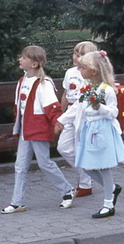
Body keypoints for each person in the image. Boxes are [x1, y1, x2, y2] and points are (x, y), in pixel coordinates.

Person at [4, 46, 75, 214]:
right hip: (25, 130)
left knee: (44, 163)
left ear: (34, 64)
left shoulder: (44, 83)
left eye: (24, 58)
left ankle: (67, 191)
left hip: (38, 129)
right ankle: (17, 201)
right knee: (20, 166)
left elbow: (52, 107)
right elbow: (18, 106)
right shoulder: (22, 81)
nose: (20, 60)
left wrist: (57, 123)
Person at [57, 50, 124, 218]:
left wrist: (100, 107)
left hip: (101, 130)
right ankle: (111, 188)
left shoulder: (107, 90)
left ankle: (108, 204)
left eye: (83, 68)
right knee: (85, 166)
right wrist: (62, 119)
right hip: (89, 130)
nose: (80, 71)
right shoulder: (86, 88)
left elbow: (113, 112)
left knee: (103, 167)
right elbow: (77, 107)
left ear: (94, 71)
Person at [57, 40, 97, 198]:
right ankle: (88, 173)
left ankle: (85, 183)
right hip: (69, 112)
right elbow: (65, 94)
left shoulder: (90, 75)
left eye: (80, 55)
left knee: (80, 147)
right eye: (75, 53)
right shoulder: (70, 73)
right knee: (63, 147)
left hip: (83, 113)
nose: (76, 57)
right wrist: (60, 113)